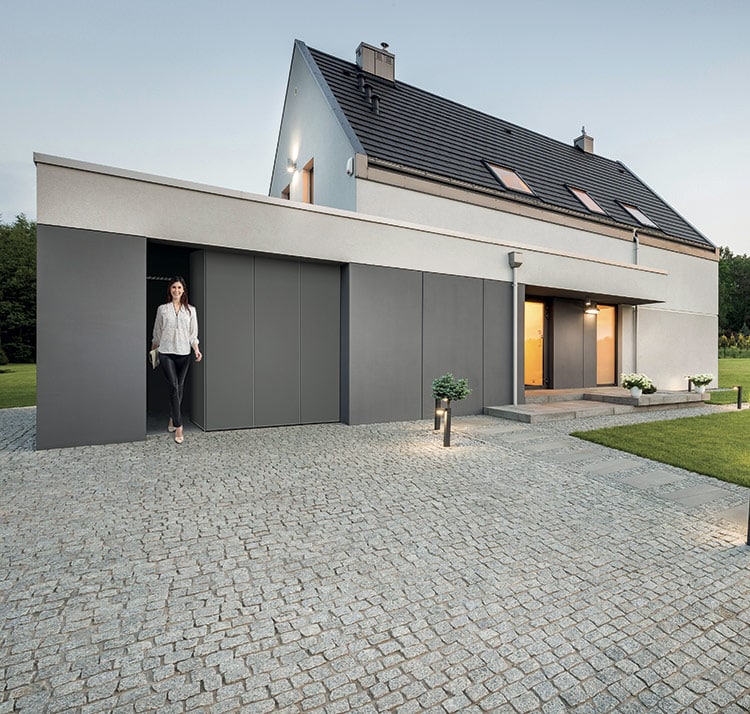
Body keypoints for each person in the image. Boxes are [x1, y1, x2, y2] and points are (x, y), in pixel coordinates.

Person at [151, 276, 202, 443]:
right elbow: (157, 332)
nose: (176, 291)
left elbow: (193, 334)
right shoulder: (162, 309)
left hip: (184, 353)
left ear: (183, 290)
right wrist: (153, 349)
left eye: (179, 288)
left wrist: (197, 350)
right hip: (166, 352)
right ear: (170, 289)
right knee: (173, 386)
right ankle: (179, 427)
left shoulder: (191, 311)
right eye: (174, 287)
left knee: (179, 388)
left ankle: (173, 417)